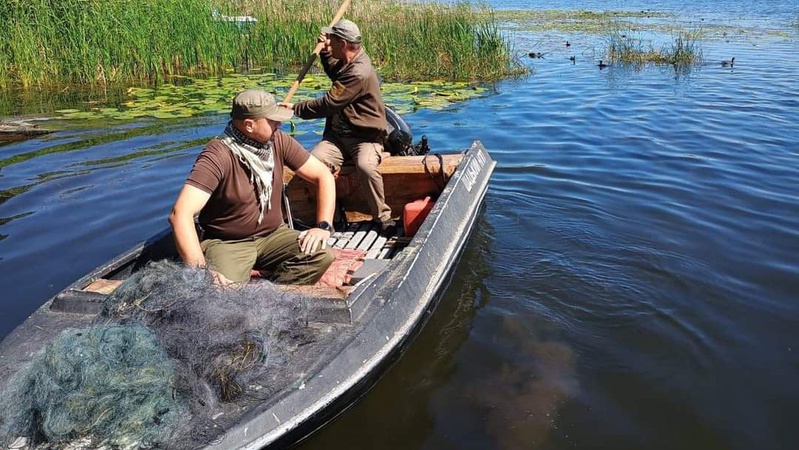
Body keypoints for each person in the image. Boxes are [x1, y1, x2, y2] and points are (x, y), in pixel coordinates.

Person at [169, 89, 336, 286]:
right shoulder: (218, 154)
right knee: (221, 290)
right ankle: (247, 296)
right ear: (249, 125)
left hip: (274, 235)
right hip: (229, 243)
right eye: (272, 121)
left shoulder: (277, 140)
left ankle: (272, 296)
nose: (279, 124)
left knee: (321, 255)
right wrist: (200, 272)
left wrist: (323, 226)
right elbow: (180, 214)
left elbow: (322, 174)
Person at [284, 19, 394, 233]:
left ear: (343, 43)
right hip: (337, 138)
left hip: (364, 137)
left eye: (332, 41)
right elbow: (337, 73)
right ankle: (330, 218)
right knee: (314, 163)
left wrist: (295, 109)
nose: (330, 43)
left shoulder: (359, 71)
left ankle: (383, 218)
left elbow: (329, 103)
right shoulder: (348, 60)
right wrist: (326, 52)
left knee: (365, 167)